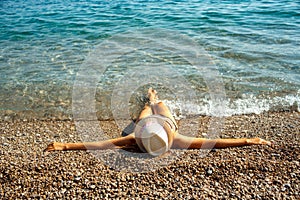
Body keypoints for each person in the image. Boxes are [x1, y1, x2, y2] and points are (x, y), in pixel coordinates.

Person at [45, 88, 271, 156]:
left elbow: (102, 144)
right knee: (156, 103)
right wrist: (247, 141)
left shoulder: (137, 137)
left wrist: (65, 146)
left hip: (155, 121)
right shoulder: (177, 140)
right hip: (163, 120)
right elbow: (214, 141)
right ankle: (152, 97)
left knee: (147, 108)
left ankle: (151, 98)